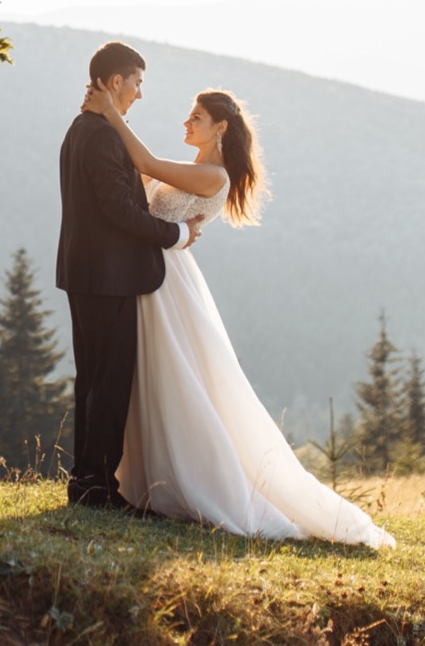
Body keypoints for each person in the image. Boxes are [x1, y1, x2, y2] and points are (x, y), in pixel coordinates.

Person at [79, 80, 395, 547]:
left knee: (176, 376)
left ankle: (197, 481)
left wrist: (111, 113)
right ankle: (138, 480)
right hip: (149, 269)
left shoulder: (215, 177)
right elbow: (136, 180)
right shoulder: (191, 168)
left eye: (196, 118)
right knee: (151, 375)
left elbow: (144, 164)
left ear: (220, 127)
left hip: (166, 278)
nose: (185, 123)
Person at [56, 41, 203, 509]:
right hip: (107, 276)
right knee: (109, 382)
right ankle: (96, 487)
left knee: (94, 380)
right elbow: (117, 208)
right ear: (115, 82)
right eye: (137, 83)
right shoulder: (99, 134)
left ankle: (89, 482)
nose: (140, 94)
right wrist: (175, 233)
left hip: (89, 273)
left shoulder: (84, 129)